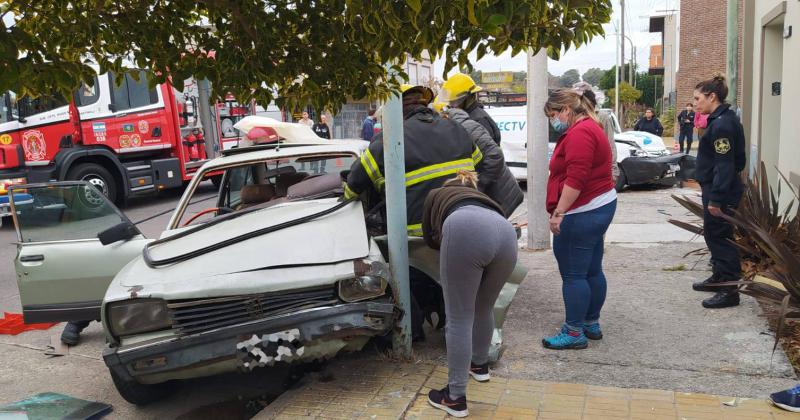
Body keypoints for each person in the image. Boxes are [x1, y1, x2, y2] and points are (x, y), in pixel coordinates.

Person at [422, 171, 518, 418]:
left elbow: (430, 236)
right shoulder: (482, 199)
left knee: (459, 317)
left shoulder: (437, 194)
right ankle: (480, 365)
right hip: (506, 233)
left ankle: (454, 398)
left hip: (464, 230)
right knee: (484, 307)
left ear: (449, 187)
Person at [344, 85, 478, 237]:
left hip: (416, 241)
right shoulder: (457, 128)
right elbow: (479, 162)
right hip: (467, 227)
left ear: (394, 111)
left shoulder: (387, 140)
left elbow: (354, 184)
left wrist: (345, 201)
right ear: (424, 104)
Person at [542, 89, 617, 350]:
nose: (553, 121)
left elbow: (576, 180)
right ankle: (590, 322)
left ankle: (574, 332)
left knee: (574, 275)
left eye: (553, 115)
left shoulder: (580, 133)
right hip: (598, 206)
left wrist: (558, 213)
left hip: (581, 212)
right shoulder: (590, 127)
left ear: (566, 110)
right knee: (592, 269)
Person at [690, 73, 746, 309]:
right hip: (717, 187)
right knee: (714, 235)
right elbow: (738, 161)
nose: (694, 103)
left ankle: (729, 291)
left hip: (720, 191)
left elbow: (726, 165)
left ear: (712, 96)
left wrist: (716, 199)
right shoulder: (722, 119)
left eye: (697, 98)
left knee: (721, 237)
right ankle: (719, 278)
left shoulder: (722, 124)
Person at [444, 107, 523, 217]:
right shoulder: (461, 126)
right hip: (497, 194)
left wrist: (479, 184)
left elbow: (495, 155)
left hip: (500, 195)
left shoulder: (466, 127)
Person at [572, 83, 619, 181]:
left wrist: (613, 171)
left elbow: (610, 144)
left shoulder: (602, 117)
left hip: (600, 174)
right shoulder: (573, 119)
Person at [440, 73, 502, 145]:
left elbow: (489, 153)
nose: (451, 106)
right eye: (450, 101)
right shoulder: (466, 116)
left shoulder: (480, 120)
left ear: (468, 99)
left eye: (454, 101)